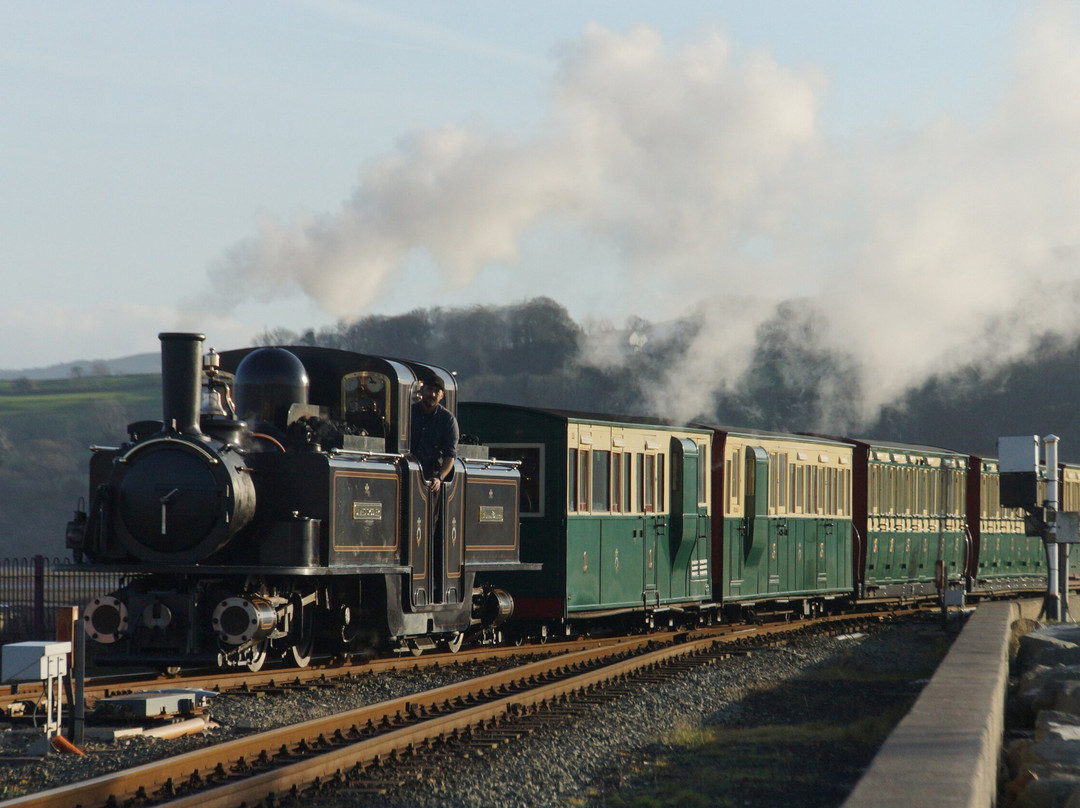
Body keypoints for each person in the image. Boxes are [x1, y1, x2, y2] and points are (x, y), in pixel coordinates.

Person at [410, 376, 459, 492]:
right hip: (410, 472)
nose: (432, 394)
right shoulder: (409, 413)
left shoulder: (448, 420)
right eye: (429, 389)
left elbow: (450, 455)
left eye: (436, 391)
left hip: (432, 477)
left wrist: (439, 478)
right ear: (422, 390)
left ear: (441, 396)